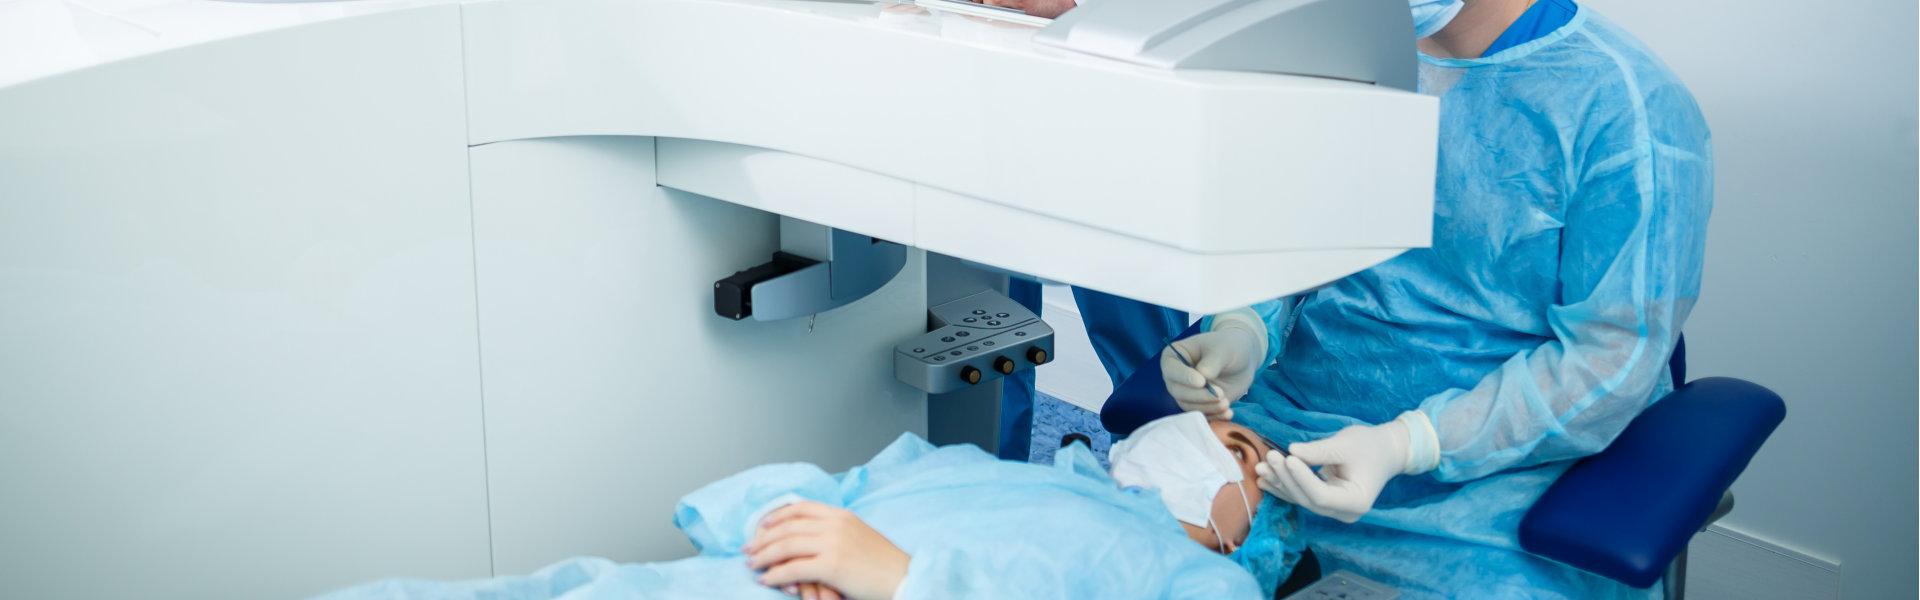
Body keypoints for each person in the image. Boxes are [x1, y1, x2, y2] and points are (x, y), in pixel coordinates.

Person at [1158, 0, 1712, 597]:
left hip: (1499, 485)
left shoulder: (1625, 108)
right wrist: (1244, 326)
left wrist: (1410, 443)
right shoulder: (1334, 58)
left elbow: (1612, 356)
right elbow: (1285, 230)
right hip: (1288, 431)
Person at [314, 415, 1302, 600]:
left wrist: (906, 582)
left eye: (1246, 452)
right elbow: (763, 497)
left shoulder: (1193, 576)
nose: (1223, 428)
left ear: (1233, 513)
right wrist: (795, 528)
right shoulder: (991, 463)